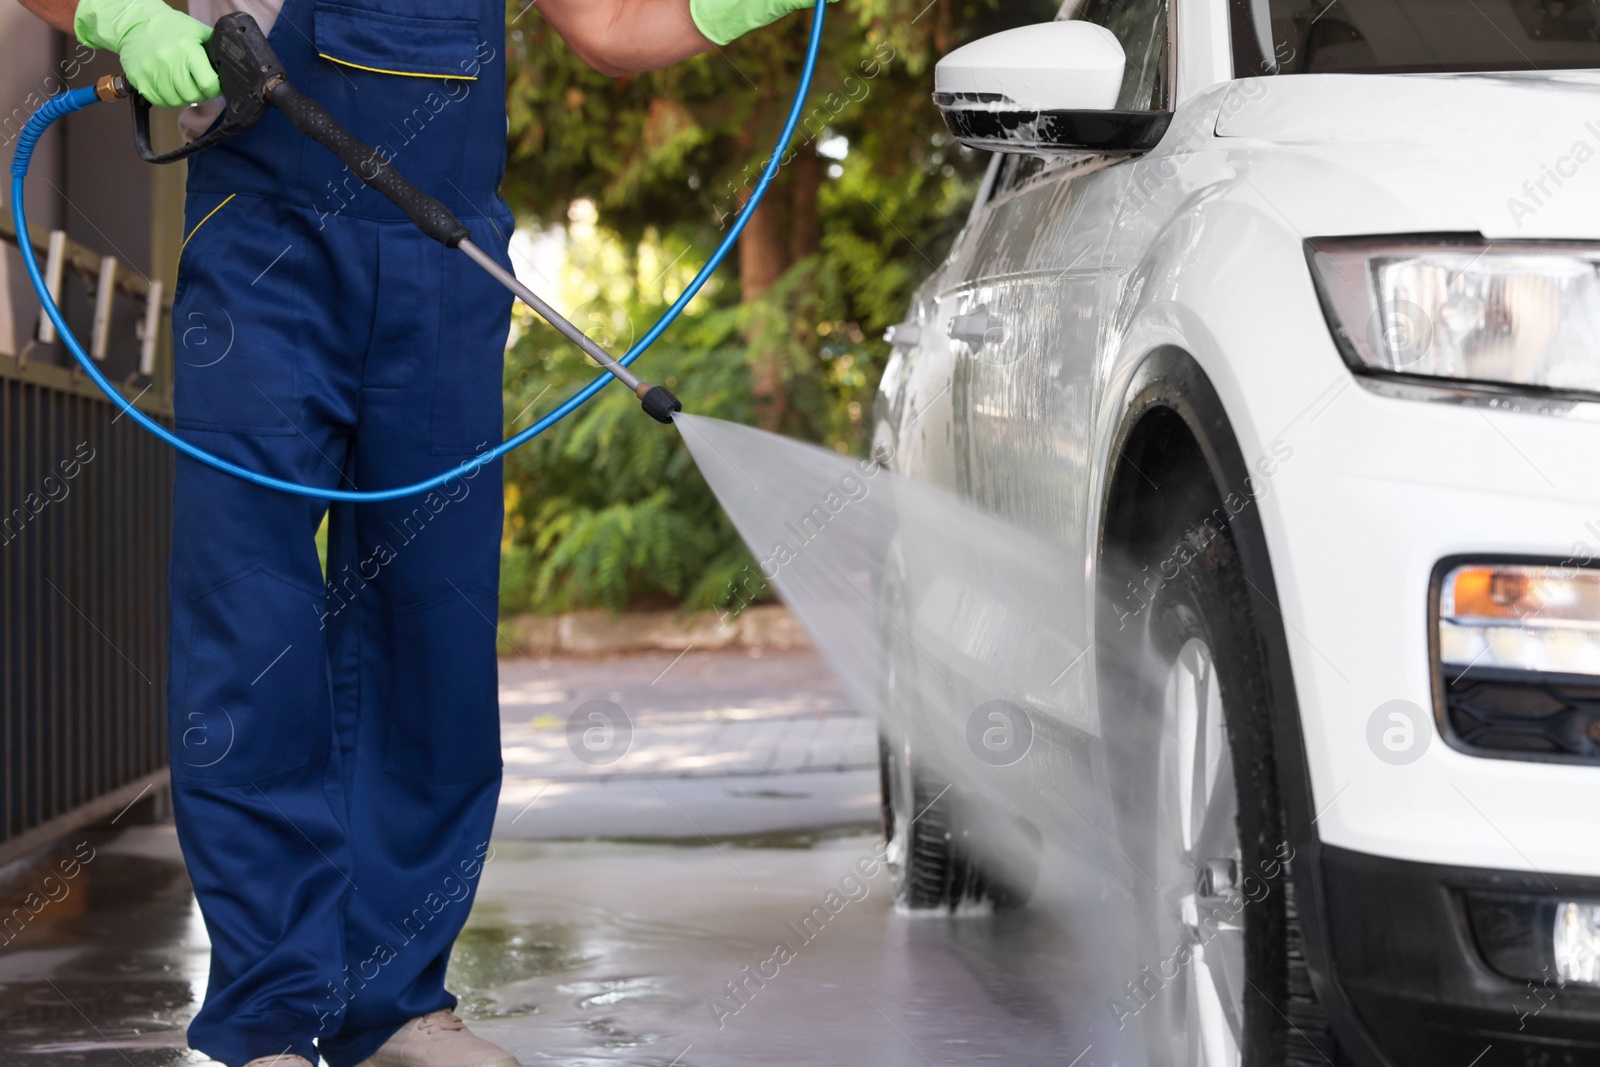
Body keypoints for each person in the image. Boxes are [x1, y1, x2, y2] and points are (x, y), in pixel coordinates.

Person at [11, 0, 823, 1064]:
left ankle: (393, 1001)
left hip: (443, 264)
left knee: (432, 626)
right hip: (260, 252)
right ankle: (262, 1013)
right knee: (247, 623)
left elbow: (614, 27)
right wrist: (124, 16)